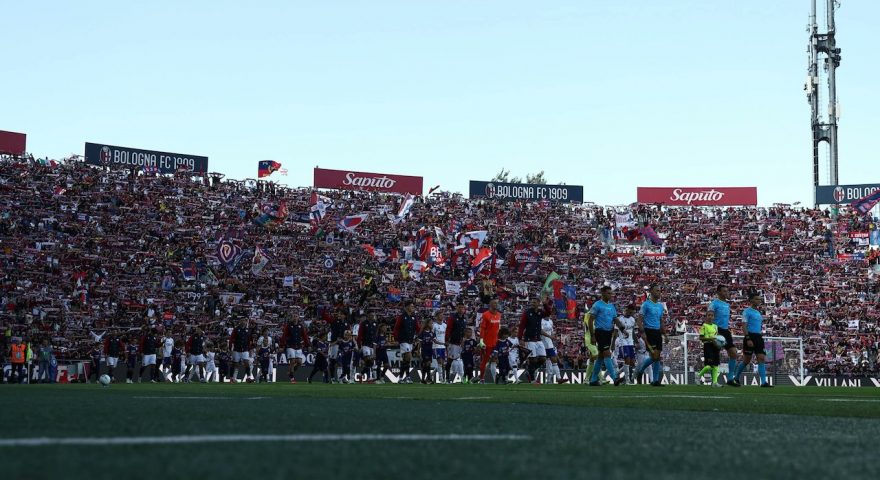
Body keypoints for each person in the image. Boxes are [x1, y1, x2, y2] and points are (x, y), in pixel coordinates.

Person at [586, 286, 626, 386]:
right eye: (608, 293)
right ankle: (614, 378)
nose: (610, 295)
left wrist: (622, 329)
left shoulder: (612, 306)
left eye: (611, 293)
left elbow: (615, 319)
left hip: (608, 333)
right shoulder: (597, 305)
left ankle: (593, 380)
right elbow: (590, 320)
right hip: (600, 332)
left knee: (600, 357)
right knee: (607, 354)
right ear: (602, 293)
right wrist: (592, 335)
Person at [732, 292, 773, 387]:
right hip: (750, 336)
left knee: (761, 358)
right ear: (751, 300)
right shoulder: (747, 311)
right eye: (757, 299)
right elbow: (744, 326)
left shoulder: (758, 312)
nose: (759, 301)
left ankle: (763, 382)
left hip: (758, 337)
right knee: (746, 360)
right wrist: (748, 338)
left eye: (759, 299)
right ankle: (736, 378)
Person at [635, 285, 667, 387]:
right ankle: (640, 371)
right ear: (651, 292)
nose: (659, 292)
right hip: (649, 331)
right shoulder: (646, 305)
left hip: (657, 332)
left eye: (660, 290)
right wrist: (642, 332)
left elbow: (661, 321)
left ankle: (655, 381)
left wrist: (665, 334)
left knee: (657, 358)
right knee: (654, 356)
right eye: (657, 290)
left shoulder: (660, 306)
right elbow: (639, 320)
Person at [708, 285, 740, 386]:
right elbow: (709, 318)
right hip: (716, 330)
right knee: (715, 357)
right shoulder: (714, 304)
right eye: (724, 291)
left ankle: (730, 379)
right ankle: (713, 381)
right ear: (718, 293)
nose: (727, 293)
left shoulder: (727, 304)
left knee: (733, 353)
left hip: (725, 331)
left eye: (727, 291)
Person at [518, 296, 548, 384]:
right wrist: (520, 338)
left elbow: (548, 313)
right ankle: (532, 379)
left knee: (543, 358)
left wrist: (545, 304)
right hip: (529, 339)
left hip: (538, 339)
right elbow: (521, 326)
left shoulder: (540, 312)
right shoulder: (527, 313)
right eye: (532, 302)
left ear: (538, 304)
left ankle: (530, 371)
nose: (532, 304)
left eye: (534, 302)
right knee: (533, 359)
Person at [393, 301, 420, 384]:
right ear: (407, 307)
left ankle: (401, 377)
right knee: (408, 356)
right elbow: (396, 328)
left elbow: (417, 328)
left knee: (406, 360)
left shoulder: (414, 317)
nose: (413, 307)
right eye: (411, 306)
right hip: (403, 340)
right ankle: (407, 377)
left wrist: (419, 336)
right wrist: (396, 339)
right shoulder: (401, 317)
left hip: (410, 340)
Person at [478, 299, 502, 383]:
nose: (496, 304)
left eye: (496, 303)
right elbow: (483, 328)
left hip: (495, 342)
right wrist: (481, 340)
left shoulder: (499, 314)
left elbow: (498, 328)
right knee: (485, 360)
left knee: (494, 360)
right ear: (490, 305)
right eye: (494, 303)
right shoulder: (485, 315)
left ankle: (495, 379)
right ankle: (481, 378)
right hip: (486, 342)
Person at [612, 304, 637, 385]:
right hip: (623, 342)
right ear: (627, 310)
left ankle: (617, 374)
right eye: (630, 311)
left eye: (632, 311)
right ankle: (627, 380)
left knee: (632, 362)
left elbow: (632, 331)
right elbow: (615, 332)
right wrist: (612, 344)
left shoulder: (633, 319)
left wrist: (636, 341)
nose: (632, 312)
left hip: (631, 342)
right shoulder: (619, 319)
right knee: (627, 360)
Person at [695, 314, 723, 387]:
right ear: (706, 317)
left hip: (715, 346)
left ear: (714, 317)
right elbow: (701, 338)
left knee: (716, 365)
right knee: (710, 365)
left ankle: (714, 383)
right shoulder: (704, 326)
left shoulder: (715, 326)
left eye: (712, 315)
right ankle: (698, 375)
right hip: (708, 346)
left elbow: (716, 337)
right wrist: (711, 339)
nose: (711, 316)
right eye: (709, 315)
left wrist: (719, 343)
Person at [541, 312, 567, 384]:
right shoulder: (541, 321)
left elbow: (551, 331)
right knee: (541, 361)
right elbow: (541, 331)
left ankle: (558, 378)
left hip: (549, 344)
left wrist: (552, 337)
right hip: (542, 343)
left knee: (553, 360)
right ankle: (534, 377)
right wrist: (549, 336)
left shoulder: (550, 321)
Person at [445, 303, 469, 382]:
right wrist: (447, 340)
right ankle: (447, 377)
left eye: (463, 307)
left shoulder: (464, 318)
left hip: (461, 342)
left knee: (464, 359)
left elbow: (465, 331)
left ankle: (464, 378)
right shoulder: (452, 318)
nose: (461, 309)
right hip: (453, 342)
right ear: (456, 308)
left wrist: (465, 339)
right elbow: (448, 329)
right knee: (450, 360)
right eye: (460, 307)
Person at [283, 315, 310, 384]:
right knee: (292, 361)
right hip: (290, 346)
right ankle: (292, 378)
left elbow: (305, 336)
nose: (295, 318)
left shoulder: (301, 326)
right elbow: (284, 335)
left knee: (299, 362)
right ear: (292, 318)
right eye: (293, 316)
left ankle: (290, 372)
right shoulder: (288, 326)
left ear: (298, 318)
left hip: (298, 346)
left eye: (296, 316)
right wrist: (281, 345)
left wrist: (308, 345)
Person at [356, 313, 379, 383]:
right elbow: (359, 335)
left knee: (370, 362)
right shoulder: (363, 323)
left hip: (372, 345)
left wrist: (375, 346)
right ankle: (370, 378)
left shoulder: (375, 323)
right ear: (368, 316)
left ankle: (361, 375)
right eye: (370, 315)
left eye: (373, 315)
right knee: (368, 360)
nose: (372, 316)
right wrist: (359, 346)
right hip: (365, 344)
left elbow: (376, 335)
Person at [229, 318, 253, 383]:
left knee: (246, 362)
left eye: (244, 320)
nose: (243, 322)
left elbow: (249, 340)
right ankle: (232, 378)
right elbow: (231, 339)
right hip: (237, 349)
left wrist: (250, 349)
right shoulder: (236, 329)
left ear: (246, 322)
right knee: (235, 364)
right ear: (239, 321)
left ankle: (248, 377)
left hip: (245, 349)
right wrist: (230, 348)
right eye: (241, 320)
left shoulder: (248, 330)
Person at [417, 319, 436, 384]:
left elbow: (435, 341)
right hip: (424, 350)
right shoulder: (422, 333)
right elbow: (419, 343)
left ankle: (423, 379)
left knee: (427, 365)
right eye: (431, 323)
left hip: (430, 350)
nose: (432, 324)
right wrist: (418, 351)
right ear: (427, 324)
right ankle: (429, 379)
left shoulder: (432, 333)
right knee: (427, 364)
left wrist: (443, 343)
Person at [430, 312, 448, 383]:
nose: (442, 316)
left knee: (443, 364)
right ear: (436, 317)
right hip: (436, 346)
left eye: (442, 315)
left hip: (443, 346)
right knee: (440, 362)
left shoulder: (445, 325)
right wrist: (440, 342)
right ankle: (441, 379)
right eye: (440, 315)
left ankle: (432, 374)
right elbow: (432, 336)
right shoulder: (434, 325)